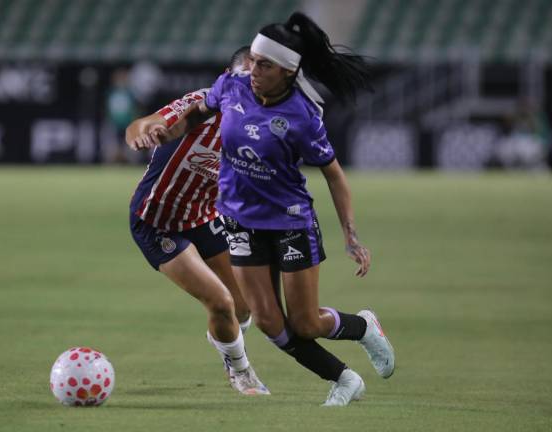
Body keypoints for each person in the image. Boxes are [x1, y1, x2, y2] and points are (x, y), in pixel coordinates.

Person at [165, 12, 395, 406]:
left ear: (288, 71)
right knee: (270, 322)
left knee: (304, 323)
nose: (254, 70)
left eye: (265, 64)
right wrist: (165, 128)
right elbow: (196, 113)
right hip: (239, 222)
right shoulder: (232, 87)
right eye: (253, 60)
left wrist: (351, 235)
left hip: (290, 224)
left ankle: (362, 326)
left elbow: (335, 176)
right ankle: (343, 379)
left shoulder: (303, 117)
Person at [125, 47, 269, 395]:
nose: (250, 87)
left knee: (244, 307)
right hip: (156, 220)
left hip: (204, 217)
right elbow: (141, 125)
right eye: (243, 78)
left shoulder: (260, 126)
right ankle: (240, 370)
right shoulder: (200, 105)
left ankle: (224, 335)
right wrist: (141, 134)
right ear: (225, 78)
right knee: (220, 302)